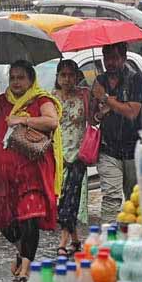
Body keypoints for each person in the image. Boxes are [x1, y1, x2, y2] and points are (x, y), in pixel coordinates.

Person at [0, 60, 62, 282]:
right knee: (6, 223)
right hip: (3, 174)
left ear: (31, 79)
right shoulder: (2, 101)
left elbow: (52, 121)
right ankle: (22, 252)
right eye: (13, 78)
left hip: (31, 173)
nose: (16, 82)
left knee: (30, 219)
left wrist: (22, 119)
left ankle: (25, 269)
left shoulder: (41, 100)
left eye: (21, 78)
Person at [92, 42, 142, 222]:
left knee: (134, 201)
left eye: (114, 58)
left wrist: (107, 99)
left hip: (133, 150)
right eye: (107, 58)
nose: (110, 62)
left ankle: (134, 240)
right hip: (108, 150)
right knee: (111, 198)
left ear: (124, 58)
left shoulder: (136, 79)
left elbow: (132, 112)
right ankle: (109, 238)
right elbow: (92, 119)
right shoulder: (99, 82)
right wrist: (100, 113)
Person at [53, 60, 91, 258]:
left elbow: (93, 119)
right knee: (62, 199)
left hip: (78, 156)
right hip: (57, 156)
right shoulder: (50, 99)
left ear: (77, 76)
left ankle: (63, 243)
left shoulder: (84, 95)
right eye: (63, 75)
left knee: (71, 199)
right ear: (58, 77)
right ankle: (75, 241)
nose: (67, 79)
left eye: (70, 75)